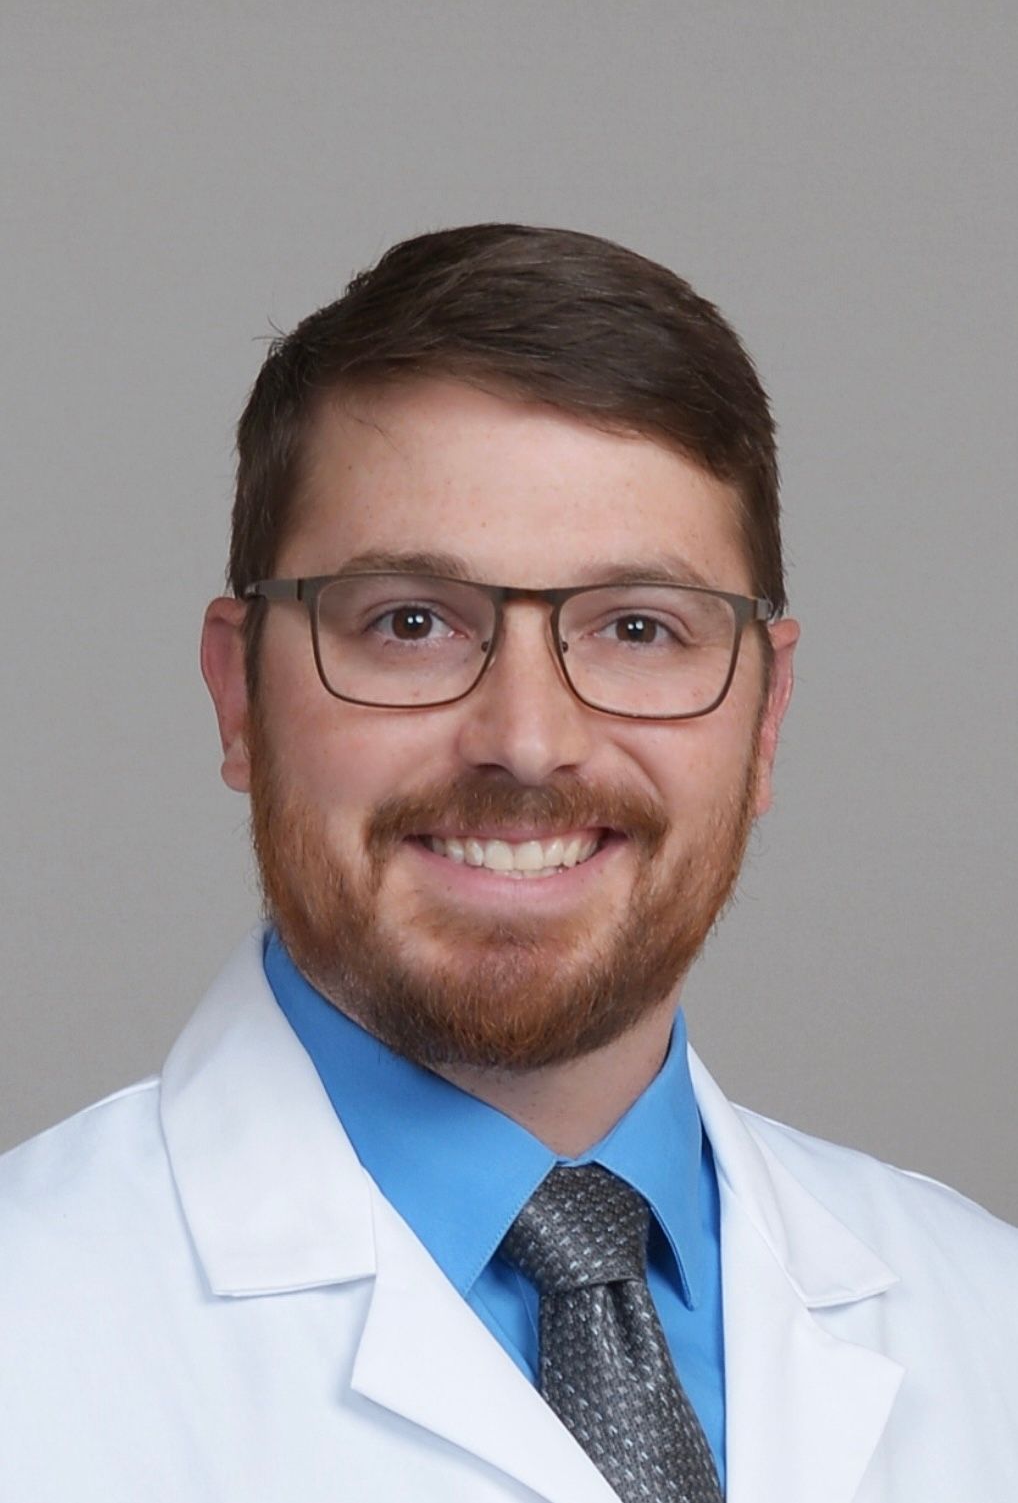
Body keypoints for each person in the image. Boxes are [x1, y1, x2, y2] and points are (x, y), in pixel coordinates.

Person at [1, 225, 1015, 1503]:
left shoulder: (985, 1327)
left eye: (639, 627)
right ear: (239, 698)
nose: (529, 743)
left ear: (765, 720)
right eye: (410, 623)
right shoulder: (28, 1336)